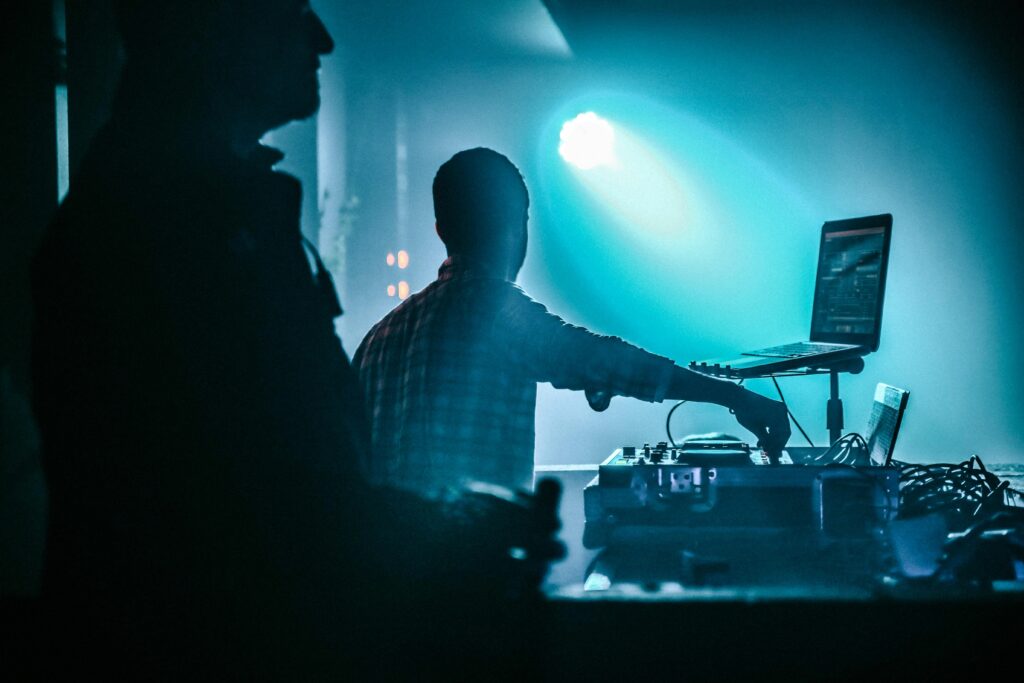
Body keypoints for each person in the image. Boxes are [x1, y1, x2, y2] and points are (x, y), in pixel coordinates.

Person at [31, 3, 559, 677]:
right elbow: (257, 504)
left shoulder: (177, 211)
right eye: (288, 12)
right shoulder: (177, 229)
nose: (321, 37)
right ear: (213, 30)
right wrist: (456, 525)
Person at [354, 147, 791, 494]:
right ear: (518, 226)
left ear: (439, 230)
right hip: (473, 579)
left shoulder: (378, 338)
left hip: (384, 589)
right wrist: (737, 398)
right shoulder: (491, 311)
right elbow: (606, 360)